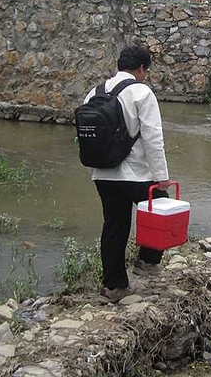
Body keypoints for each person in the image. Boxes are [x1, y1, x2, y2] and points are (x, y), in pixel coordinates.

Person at [84, 45, 171, 302]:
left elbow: (88, 136)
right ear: (142, 68)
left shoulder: (94, 92)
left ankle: (114, 286)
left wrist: (95, 169)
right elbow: (153, 138)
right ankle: (147, 261)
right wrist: (161, 176)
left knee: (114, 225)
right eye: (146, 70)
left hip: (103, 173)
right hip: (136, 174)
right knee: (162, 208)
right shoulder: (142, 92)